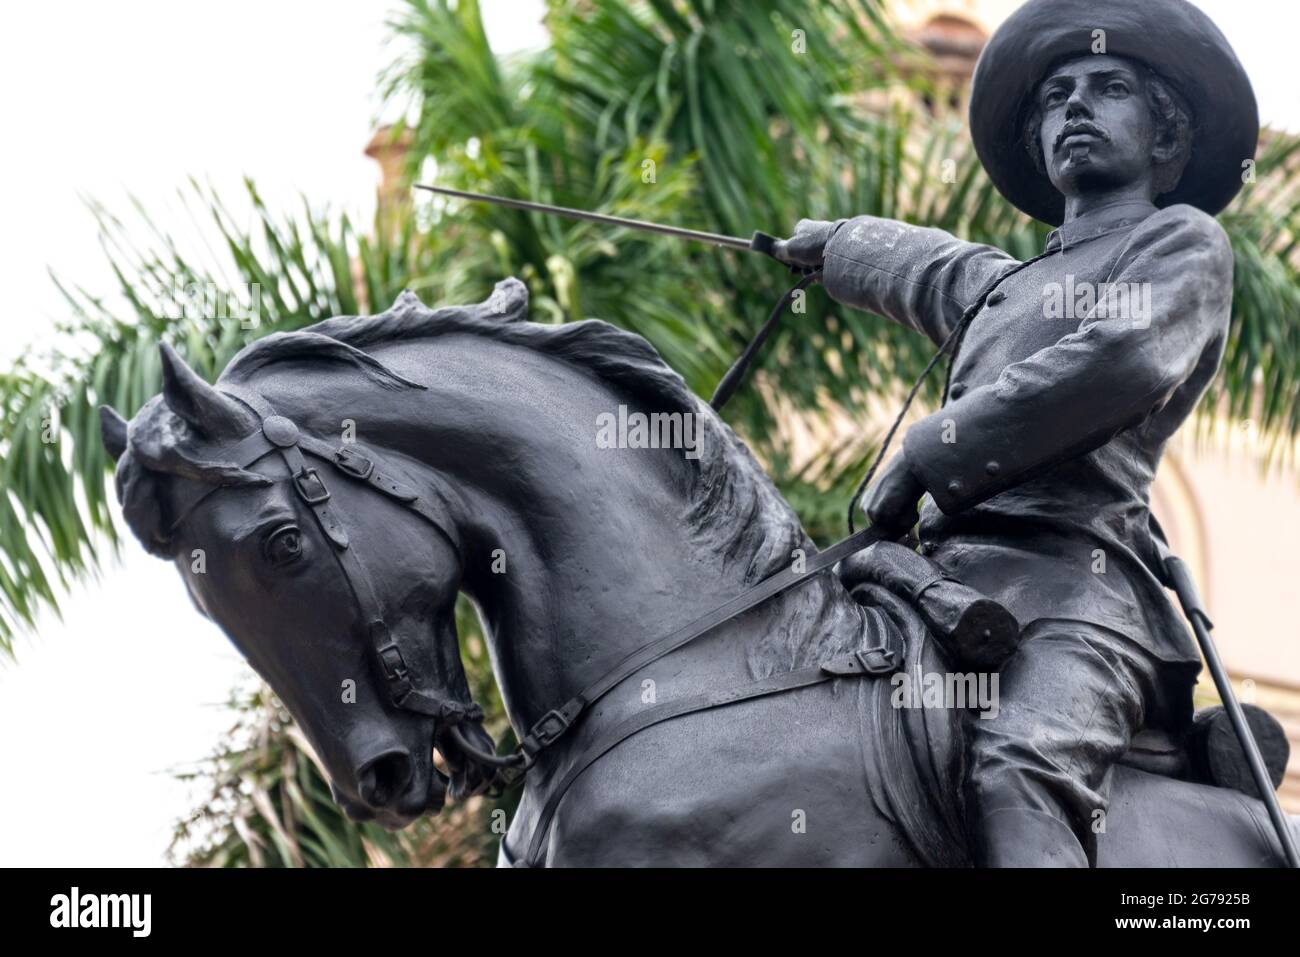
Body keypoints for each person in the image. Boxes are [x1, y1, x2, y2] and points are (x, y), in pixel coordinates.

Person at [774, 0, 1258, 866]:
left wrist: (930, 449)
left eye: (1109, 89)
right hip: (935, 582)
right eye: (1059, 95)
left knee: (1016, 769)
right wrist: (832, 245)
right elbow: (922, 265)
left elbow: (1121, 355)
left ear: (1166, 140)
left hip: (1080, 592)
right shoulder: (1004, 285)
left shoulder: (1182, 243)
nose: (1075, 106)